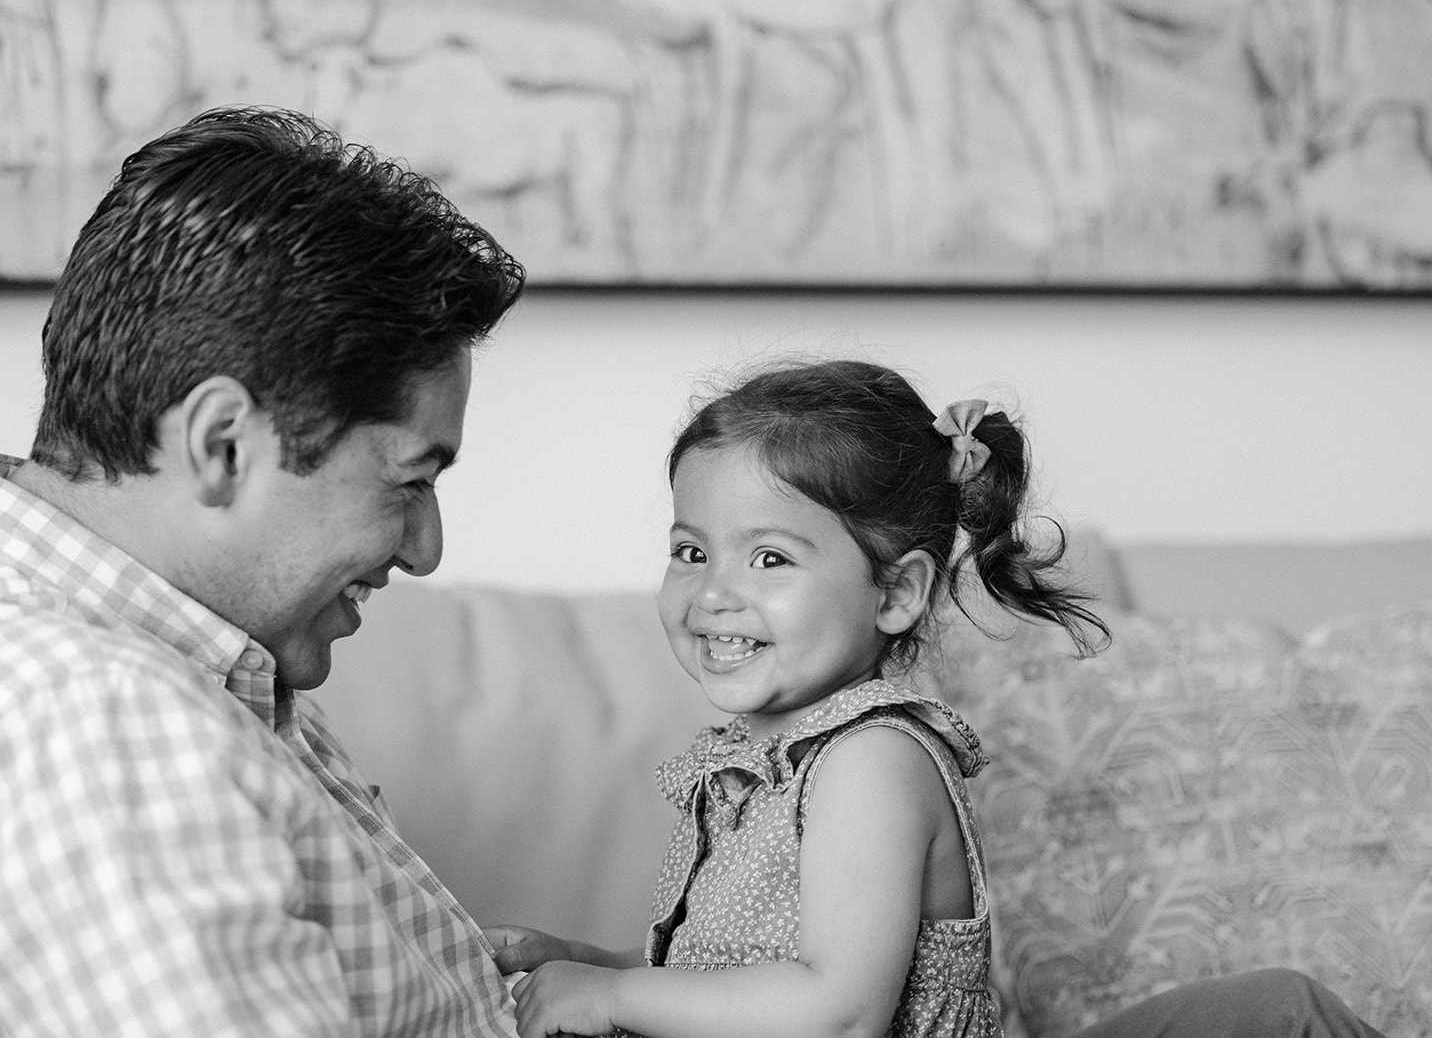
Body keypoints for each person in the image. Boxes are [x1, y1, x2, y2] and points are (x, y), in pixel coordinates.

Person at [0, 106, 526, 1037]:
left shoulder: (51, 612)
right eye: (408, 481)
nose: (425, 547)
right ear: (222, 444)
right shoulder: (103, 731)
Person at [485, 359, 1387, 1038]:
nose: (714, 590)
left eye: (769, 557)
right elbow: (735, 980)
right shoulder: (745, 765)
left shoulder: (871, 759)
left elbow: (836, 1011)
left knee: (1278, 1014)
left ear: (897, 593)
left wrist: (612, 994)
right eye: (692, 550)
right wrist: (591, 966)